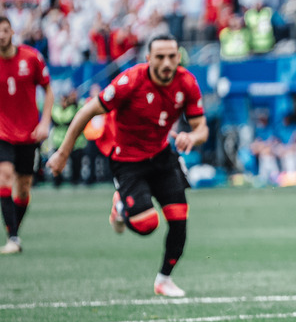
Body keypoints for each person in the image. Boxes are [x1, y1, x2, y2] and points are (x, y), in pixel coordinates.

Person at [47, 35, 208, 296]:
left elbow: (202, 128)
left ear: (178, 57)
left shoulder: (187, 83)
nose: (167, 62)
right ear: (148, 59)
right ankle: (120, 206)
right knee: (147, 225)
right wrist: (63, 153)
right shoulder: (130, 81)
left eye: (172, 56)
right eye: (160, 57)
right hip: (127, 159)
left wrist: (193, 136)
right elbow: (88, 111)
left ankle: (163, 280)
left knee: (179, 218)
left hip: (161, 156)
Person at [0, 15, 54, 254]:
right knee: (4, 176)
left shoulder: (31, 58)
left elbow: (48, 90)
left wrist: (45, 122)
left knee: (23, 189)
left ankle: (14, 231)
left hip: (30, 132)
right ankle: (13, 238)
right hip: (2, 132)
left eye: (4, 30)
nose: (0, 35)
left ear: (12, 32)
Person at [50, 89, 86, 187]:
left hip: (75, 142)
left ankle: (75, 180)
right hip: (59, 141)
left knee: (76, 163)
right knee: (57, 162)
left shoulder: (77, 106)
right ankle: (57, 180)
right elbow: (62, 119)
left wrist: (74, 103)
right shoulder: (56, 108)